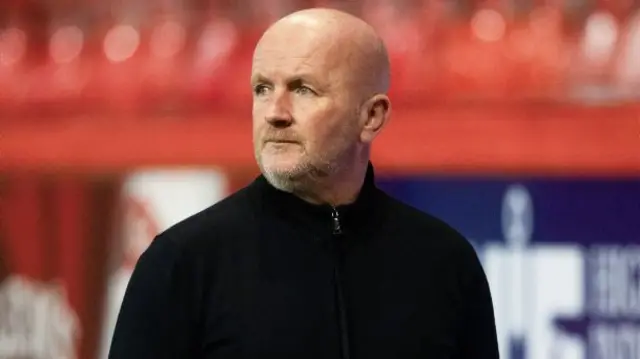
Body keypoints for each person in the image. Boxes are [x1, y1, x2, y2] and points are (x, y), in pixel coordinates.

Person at [108, 8, 499, 359]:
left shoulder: (446, 264)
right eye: (262, 89)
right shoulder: (180, 263)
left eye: (303, 90)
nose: (275, 114)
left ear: (372, 117)